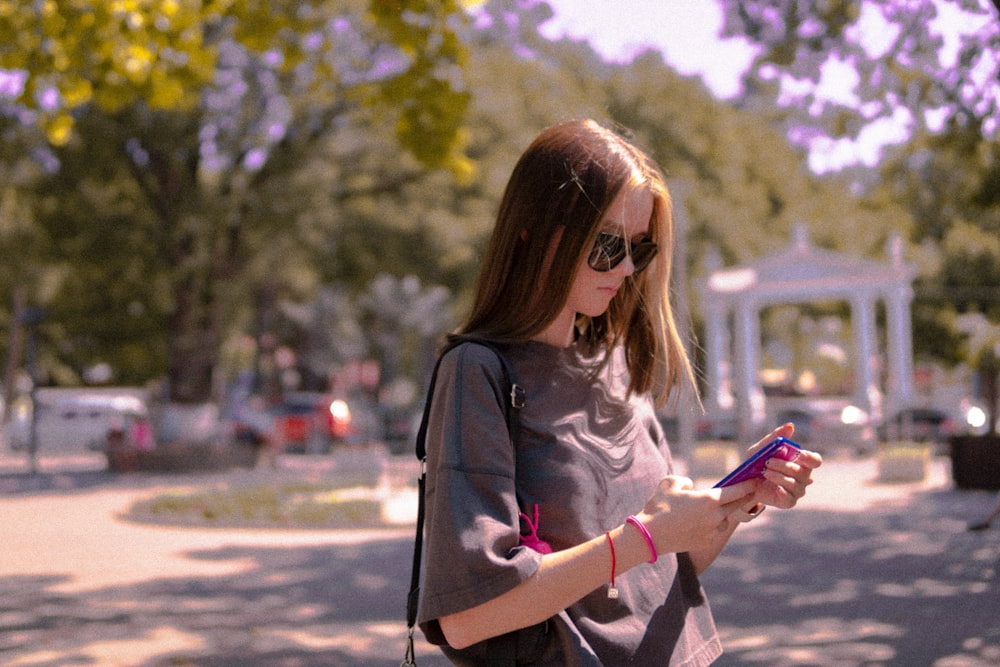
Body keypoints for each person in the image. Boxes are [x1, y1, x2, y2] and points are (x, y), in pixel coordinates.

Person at [416, 119, 822, 666]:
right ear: (532, 232)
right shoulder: (478, 372)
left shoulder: (618, 368)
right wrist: (645, 537)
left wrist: (736, 500)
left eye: (641, 248)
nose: (628, 267)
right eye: (608, 244)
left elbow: (654, 575)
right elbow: (466, 619)